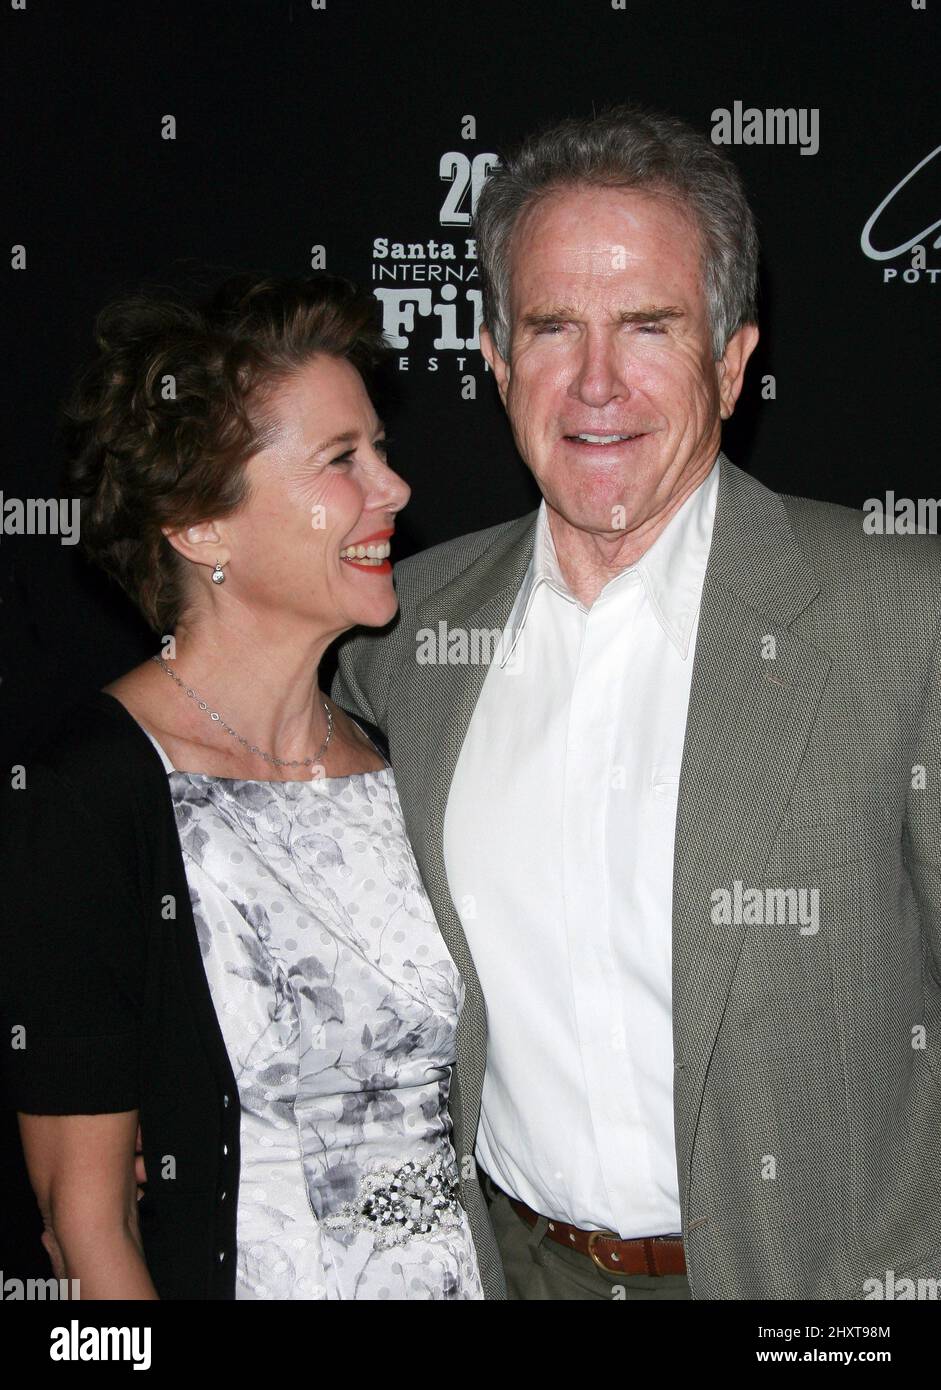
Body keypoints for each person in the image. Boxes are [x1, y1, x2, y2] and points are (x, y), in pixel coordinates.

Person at [334, 104, 941, 1300]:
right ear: (498, 360)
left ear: (730, 357)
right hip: (513, 1273)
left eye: (648, 325)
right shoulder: (400, 633)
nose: (596, 382)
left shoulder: (900, 616)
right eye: (553, 326)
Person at [0, 273, 484, 1300]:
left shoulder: (409, 766)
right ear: (198, 526)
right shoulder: (92, 795)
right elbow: (84, 1230)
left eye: (380, 452)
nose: (392, 488)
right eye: (341, 460)